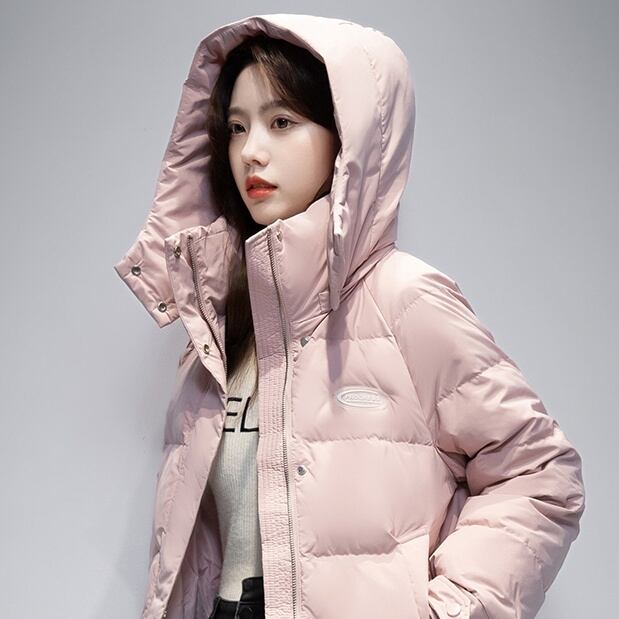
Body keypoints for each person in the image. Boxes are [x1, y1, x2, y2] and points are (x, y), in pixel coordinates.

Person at [113, 14, 585, 619]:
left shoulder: (405, 300)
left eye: (282, 122)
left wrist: (451, 611)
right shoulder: (215, 330)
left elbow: (540, 473)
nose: (251, 151)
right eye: (236, 127)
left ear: (347, 139)